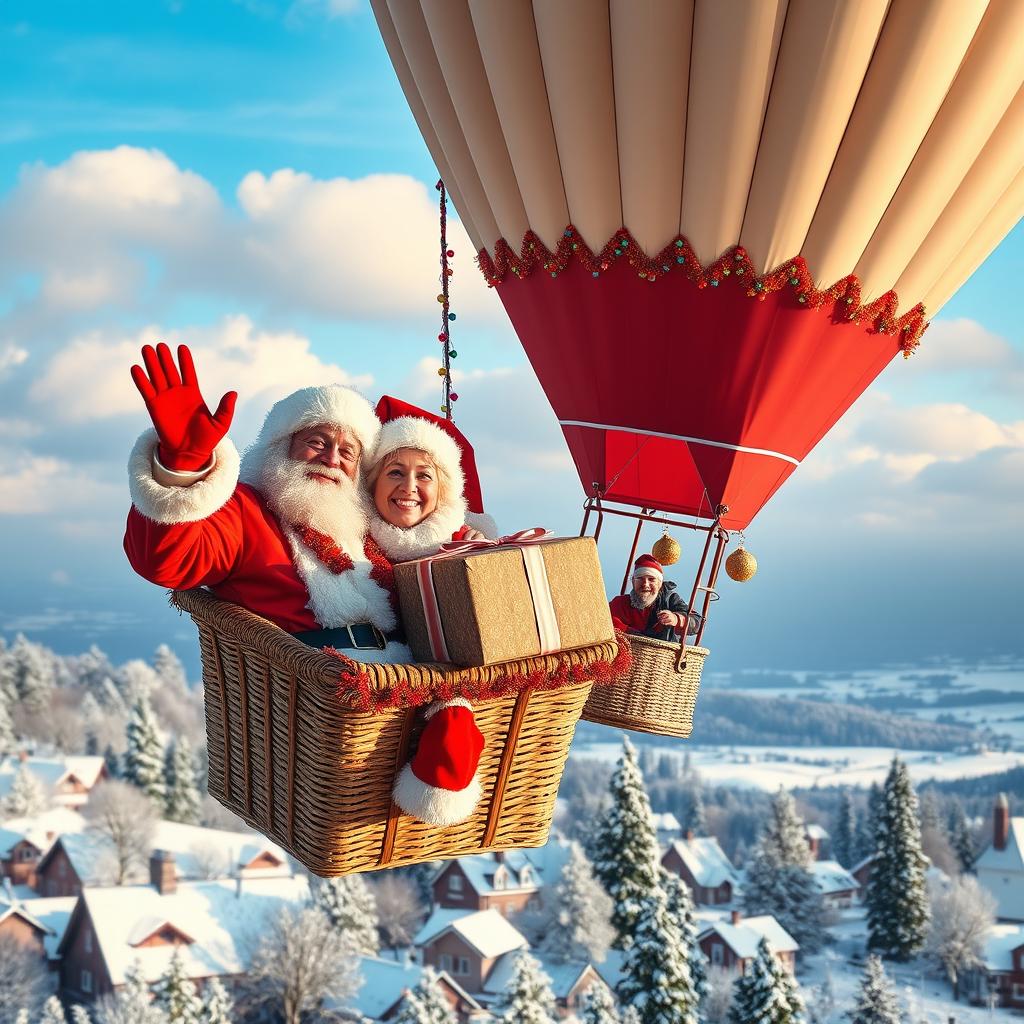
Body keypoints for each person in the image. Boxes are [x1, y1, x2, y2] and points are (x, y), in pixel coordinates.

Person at [124, 342, 410, 663]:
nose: (331, 459)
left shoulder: (367, 526)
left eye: (347, 452)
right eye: (317, 442)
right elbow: (171, 561)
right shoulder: (245, 510)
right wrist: (183, 466)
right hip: (308, 689)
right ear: (279, 448)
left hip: (405, 679)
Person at [363, 397, 499, 826]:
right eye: (395, 472)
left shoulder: (465, 547)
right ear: (372, 484)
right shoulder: (352, 545)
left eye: (424, 476)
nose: (408, 487)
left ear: (443, 492)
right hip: (378, 686)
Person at [609, 554, 703, 642]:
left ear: (660, 583)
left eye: (651, 579)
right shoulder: (620, 603)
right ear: (633, 582)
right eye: (640, 578)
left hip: (663, 656)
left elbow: (697, 623)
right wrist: (631, 632)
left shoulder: (670, 600)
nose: (645, 584)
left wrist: (676, 619)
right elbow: (605, 621)